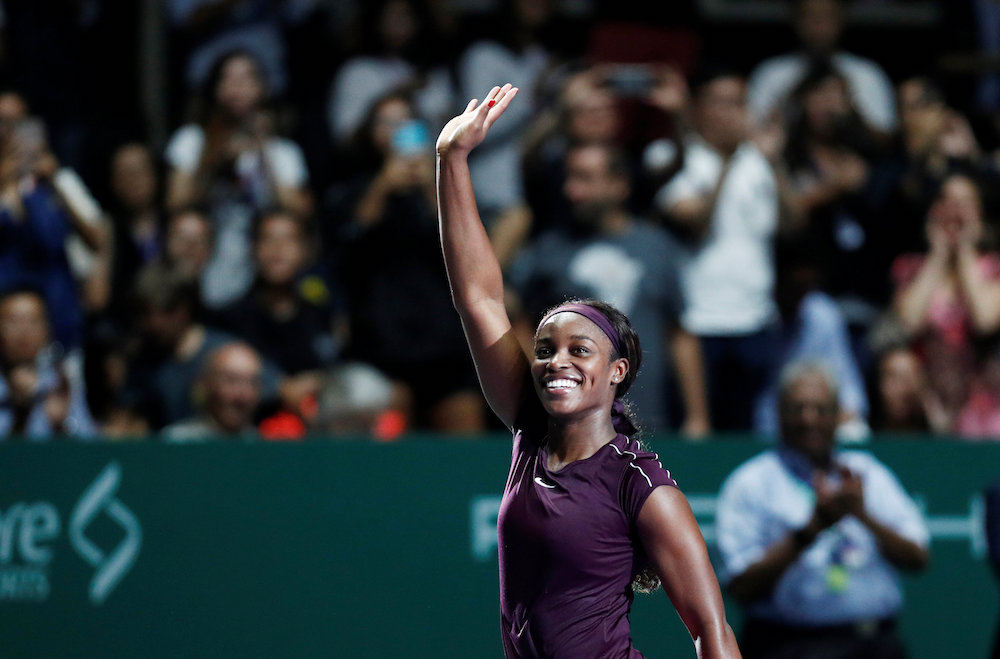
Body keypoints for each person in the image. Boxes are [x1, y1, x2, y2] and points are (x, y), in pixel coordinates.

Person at [436, 83, 741, 658]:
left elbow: (713, 632)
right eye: (545, 348)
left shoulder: (640, 483)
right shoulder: (530, 431)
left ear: (617, 371)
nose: (557, 361)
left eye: (580, 350)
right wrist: (451, 159)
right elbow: (478, 297)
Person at [716, 360, 929, 659]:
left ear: (839, 415)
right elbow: (740, 584)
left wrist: (861, 515)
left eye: (821, 409)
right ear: (779, 413)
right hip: (789, 645)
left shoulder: (867, 473)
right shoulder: (752, 482)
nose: (809, 419)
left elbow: (918, 557)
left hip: (871, 644)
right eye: (798, 408)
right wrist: (811, 529)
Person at [507, 139, 710, 435]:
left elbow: (679, 335)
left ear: (619, 185)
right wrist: (540, 386)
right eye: (570, 178)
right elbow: (519, 322)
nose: (572, 190)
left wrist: (698, 417)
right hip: (572, 428)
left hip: (650, 423)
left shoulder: (656, 248)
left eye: (585, 178)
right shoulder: (548, 251)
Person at [653, 65, 781, 431]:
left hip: (756, 319)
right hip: (699, 322)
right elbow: (695, 221)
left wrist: (776, 163)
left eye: (738, 103)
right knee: (700, 435)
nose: (730, 113)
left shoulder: (757, 161)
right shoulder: (673, 156)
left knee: (749, 435)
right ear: (697, 108)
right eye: (719, 103)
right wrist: (726, 163)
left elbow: (792, 224)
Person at [890, 173, 1000, 437]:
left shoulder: (994, 270)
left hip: (981, 409)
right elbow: (909, 321)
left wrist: (964, 251)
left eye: (964, 203)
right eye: (947, 201)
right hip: (926, 406)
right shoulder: (910, 268)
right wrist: (938, 255)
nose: (954, 210)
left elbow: (985, 319)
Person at [746, 0, 897, 138]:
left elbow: (885, 136)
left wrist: (851, 112)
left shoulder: (866, 74)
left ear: (841, 20)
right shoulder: (771, 73)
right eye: (811, 16)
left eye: (827, 16)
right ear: (797, 20)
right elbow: (749, 131)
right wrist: (792, 101)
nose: (819, 24)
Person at [0, 287, 96, 439]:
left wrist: (62, 424)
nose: (24, 332)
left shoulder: (60, 384)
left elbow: (90, 443)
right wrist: (20, 411)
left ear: (47, 329)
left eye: (33, 321)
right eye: (13, 321)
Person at [161, 341, 263, 442]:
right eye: (231, 381)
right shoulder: (176, 442)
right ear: (206, 385)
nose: (243, 395)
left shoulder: (263, 443)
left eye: (253, 383)